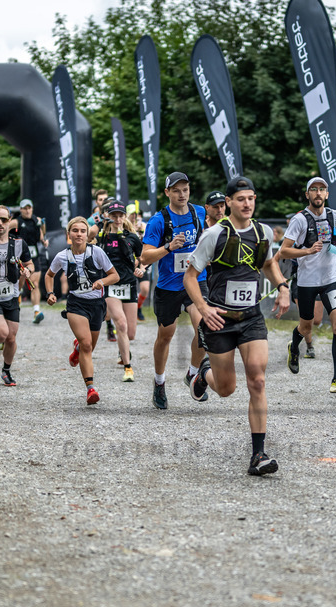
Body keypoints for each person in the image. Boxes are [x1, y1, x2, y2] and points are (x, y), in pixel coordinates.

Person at [184, 176, 290, 476]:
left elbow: (268, 264)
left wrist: (282, 286)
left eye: (251, 198)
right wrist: (203, 309)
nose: (247, 204)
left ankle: (258, 456)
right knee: (228, 389)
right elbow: (190, 277)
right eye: (241, 199)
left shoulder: (263, 232)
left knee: (257, 380)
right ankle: (204, 374)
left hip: (251, 318)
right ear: (228, 202)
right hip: (219, 319)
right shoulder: (214, 235)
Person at [276, 176, 336, 393]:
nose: (318, 193)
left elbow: (334, 243)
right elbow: (284, 251)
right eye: (314, 190)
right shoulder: (300, 220)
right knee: (307, 326)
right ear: (307, 194)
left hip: (330, 279)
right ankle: (294, 346)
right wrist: (308, 251)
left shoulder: (334, 216)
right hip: (307, 282)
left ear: (327, 194)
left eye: (322, 189)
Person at [141, 171, 208, 410]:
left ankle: (192, 374)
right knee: (165, 336)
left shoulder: (199, 213)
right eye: (176, 190)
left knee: (204, 328)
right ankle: (159, 382)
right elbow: (145, 257)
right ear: (167, 192)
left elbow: (209, 240)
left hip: (196, 281)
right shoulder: (158, 221)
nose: (182, 194)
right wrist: (168, 247)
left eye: (185, 189)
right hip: (169, 286)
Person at [45, 216, 119, 405]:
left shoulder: (97, 252)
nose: (79, 234)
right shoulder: (62, 256)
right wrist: (51, 293)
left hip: (96, 304)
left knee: (89, 347)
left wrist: (102, 281)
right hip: (76, 304)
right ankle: (90, 389)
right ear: (68, 234)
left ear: (88, 234)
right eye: (75, 230)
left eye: (82, 231)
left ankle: (76, 349)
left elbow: (114, 276)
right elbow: (49, 274)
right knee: (87, 344)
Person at [0, 205, 37, 387]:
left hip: (12, 295)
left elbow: (30, 264)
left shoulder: (19, 243)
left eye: (3, 220)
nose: (0, 223)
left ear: (9, 221)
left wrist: (27, 271)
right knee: (2, 332)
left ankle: (6, 371)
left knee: (11, 337)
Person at [97, 200, 144, 382]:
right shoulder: (103, 236)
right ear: (108, 216)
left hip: (129, 284)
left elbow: (141, 258)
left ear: (124, 216)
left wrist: (141, 268)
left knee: (130, 333)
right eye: (113, 215)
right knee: (121, 324)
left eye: (120, 215)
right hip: (111, 285)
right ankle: (128, 368)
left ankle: (122, 347)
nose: (117, 218)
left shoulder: (132, 237)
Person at [11, 198, 49, 324]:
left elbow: (41, 236)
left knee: (35, 284)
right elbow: (4, 231)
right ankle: (16, 303)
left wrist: (44, 241)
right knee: (19, 284)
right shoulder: (16, 222)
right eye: (24, 208)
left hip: (33, 256)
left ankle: (36, 311)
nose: (27, 211)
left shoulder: (37, 220)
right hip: (19, 256)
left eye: (29, 208)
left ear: (32, 209)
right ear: (21, 209)